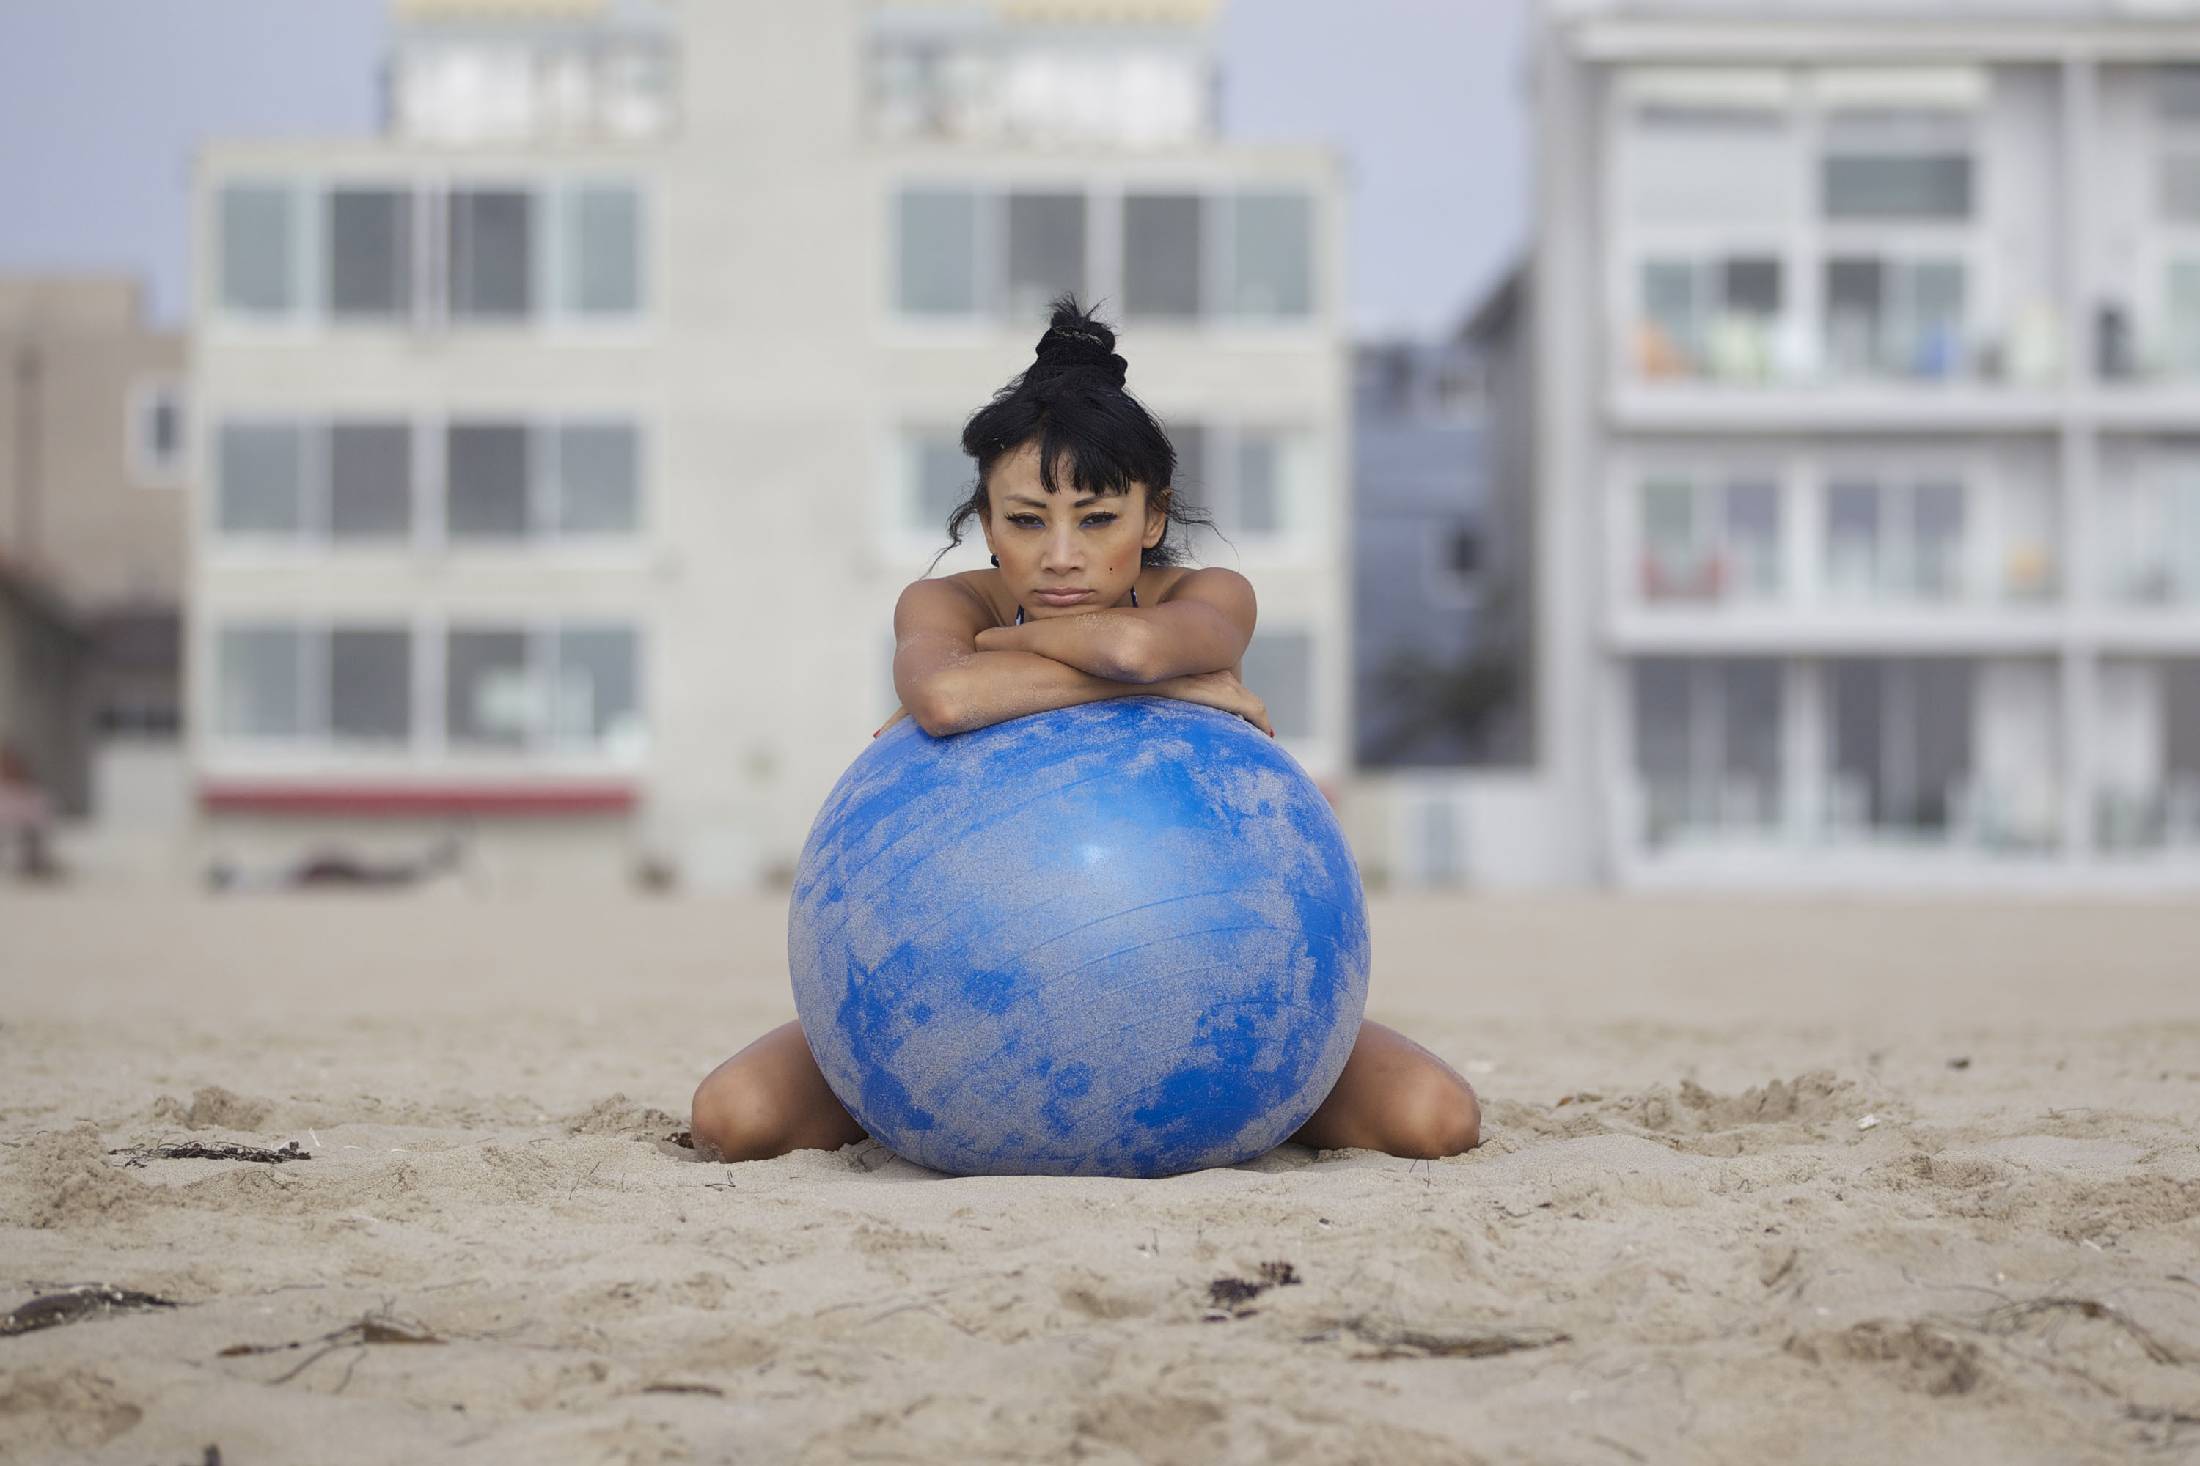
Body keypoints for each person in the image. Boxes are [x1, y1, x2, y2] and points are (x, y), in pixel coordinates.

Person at [690, 295, 1480, 1166]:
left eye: (1098, 519)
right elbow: (951, 704)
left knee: (1437, 1119)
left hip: (1220, 983)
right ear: (986, 524)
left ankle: (1231, 1112)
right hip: (949, 991)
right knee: (733, 1118)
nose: (1061, 555)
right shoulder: (941, 602)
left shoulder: (1209, 597)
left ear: (1152, 517)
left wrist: (1010, 657)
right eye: (1026, 520)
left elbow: (1135, 644)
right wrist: (1176, 679)